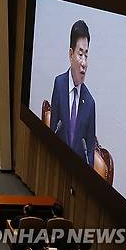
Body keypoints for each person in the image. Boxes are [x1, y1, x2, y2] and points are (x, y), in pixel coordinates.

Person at [49, 20, 96, 165]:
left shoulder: (90, 103)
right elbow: (53, 131)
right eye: (80, 54)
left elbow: (89, 155)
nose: (84, 62)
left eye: (86, 55)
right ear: (71, 54)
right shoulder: (59, 84)